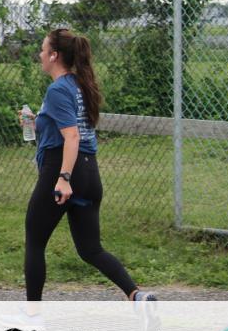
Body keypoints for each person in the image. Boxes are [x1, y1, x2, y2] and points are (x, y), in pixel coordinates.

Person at [22, 28, 155, 316]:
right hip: (89, 172)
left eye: (43, 49)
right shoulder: (78, 84)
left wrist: (63, 178)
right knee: (90, 249)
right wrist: (38, 120)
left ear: (54, 56)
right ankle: (137, 297)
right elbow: (71, 125)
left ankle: (32, 316)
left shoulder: (57, 89)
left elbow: (72, 136)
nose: (40, 54)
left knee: (34, 241)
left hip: (63, 169)